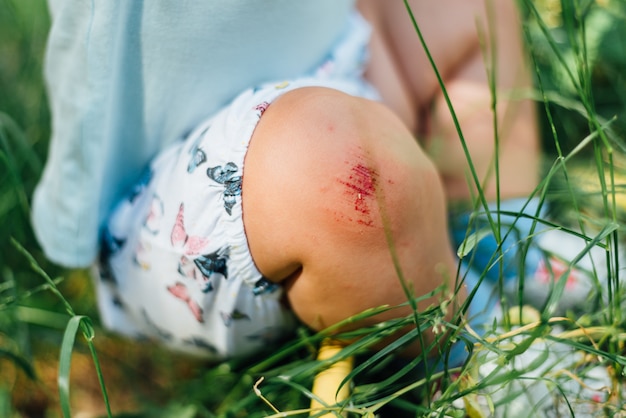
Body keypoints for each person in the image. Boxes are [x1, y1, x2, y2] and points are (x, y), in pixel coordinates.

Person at [33, 1, 541, 361]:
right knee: (347, 172)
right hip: (185, 209)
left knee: (468, 8)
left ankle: (501, 241)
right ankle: (476, 348)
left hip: (343, 65)